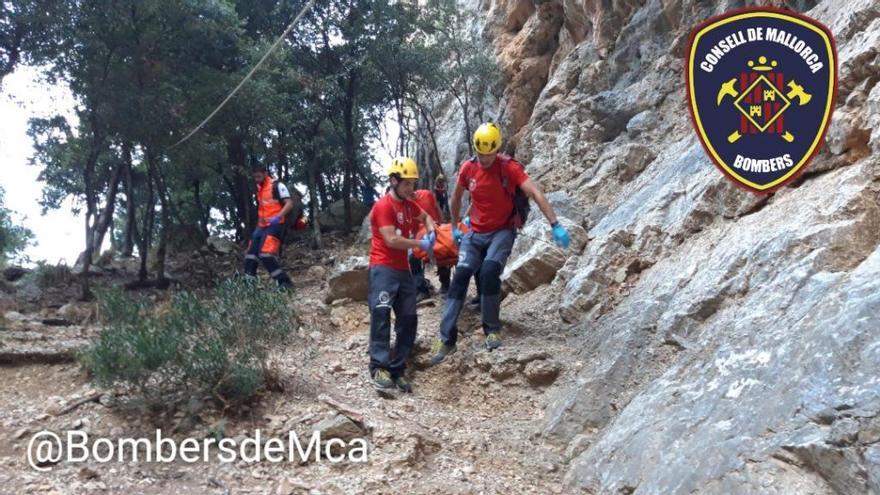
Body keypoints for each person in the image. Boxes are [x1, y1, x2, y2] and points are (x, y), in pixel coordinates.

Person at [431, 122, 571, 363]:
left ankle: (492, 330)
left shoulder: (509, 168)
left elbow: (535, 193)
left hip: (502, 231)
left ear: (496, 150)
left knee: (488, 272)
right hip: (474, 232)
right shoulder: (468, 168)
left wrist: (555, 224)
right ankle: (446, 340)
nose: (484, 159)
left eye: (488, 154)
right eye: (480, 154)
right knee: (461, 275)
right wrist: (454, 228)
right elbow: (455, 199)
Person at [368, 157, 437, 392]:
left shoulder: (410, 205)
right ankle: (379, 367)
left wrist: (432, 232)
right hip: (383, 267)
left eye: (412, 184)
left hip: (402, 270)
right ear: (394, 181)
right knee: (381, 314)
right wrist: (420, 243)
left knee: (408, 318)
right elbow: (391, 239)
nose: (411, 189)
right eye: (407, 184)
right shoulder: (383, 206)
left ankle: (397, 368)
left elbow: (427, 217)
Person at [243, 166, 295, 289]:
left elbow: (289, 203)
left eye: (259, 176)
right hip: (261, 226)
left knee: (265, 254)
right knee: (250, 254)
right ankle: (249, 285)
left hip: (276, 224)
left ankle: (284, 283)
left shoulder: (277, 186)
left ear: (265, 174)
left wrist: (278, 217)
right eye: (254, 177)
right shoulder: (259, 188)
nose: (256, 179)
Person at [410, 188, 451, 298]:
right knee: (412, 257)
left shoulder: (426, 194)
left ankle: (446, 284)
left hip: (435, 229)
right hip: (419, 235)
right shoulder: (405, 205)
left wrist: (442, 225)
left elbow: (437, 208)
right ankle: (421, 289)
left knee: (443, 251)